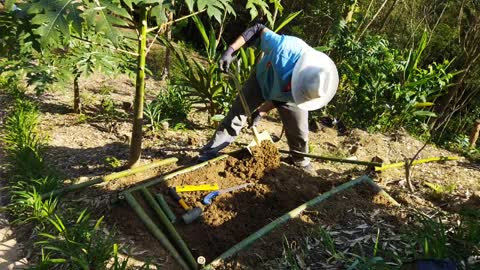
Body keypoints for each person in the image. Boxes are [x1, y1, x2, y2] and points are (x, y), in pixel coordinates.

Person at [198, 23, 339, 174]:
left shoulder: (311, 87)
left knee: (299, 132)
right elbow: (257, 29)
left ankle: (301, 162)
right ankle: (209, 152)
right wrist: (230, 50)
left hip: (286, 96)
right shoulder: (285, 48)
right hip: (261, 80)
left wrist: (261, 111)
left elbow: (282, 98)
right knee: (237, 115)